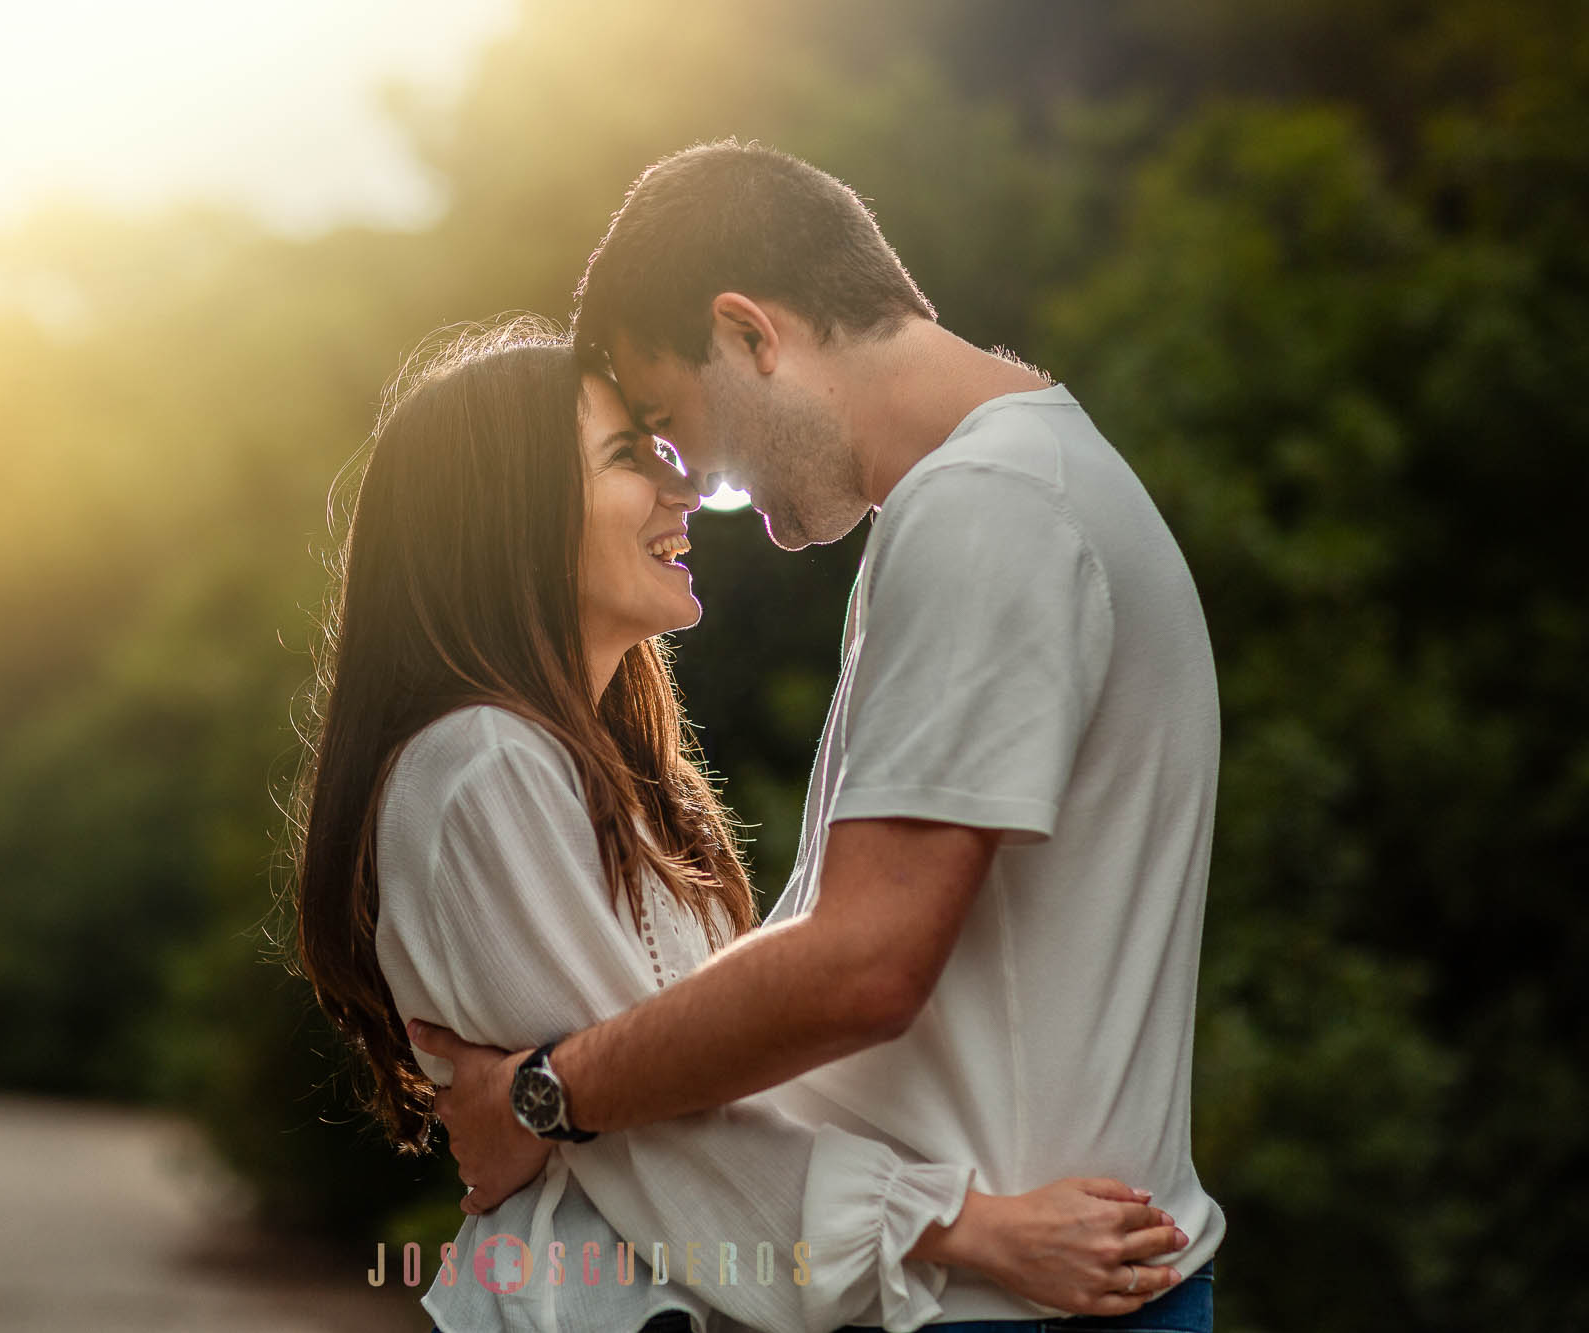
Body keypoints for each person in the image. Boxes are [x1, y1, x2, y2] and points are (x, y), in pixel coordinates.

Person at [411, 142, 1226, 1332]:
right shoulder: (1015, 488)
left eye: (671, 424)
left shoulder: (987, 512)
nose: (696, 486)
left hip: (1002, 1304)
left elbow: (861, 962)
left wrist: (543, 1094)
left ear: (748, 335)